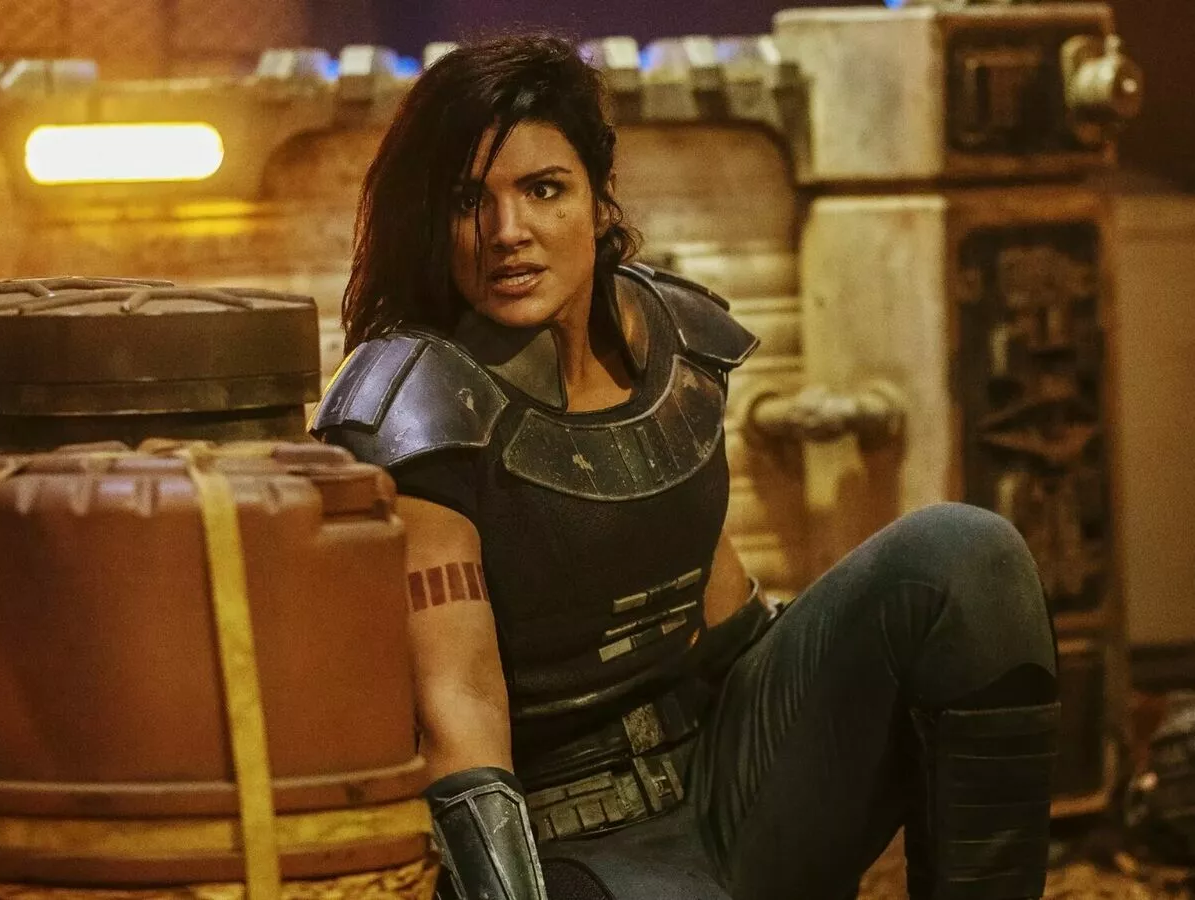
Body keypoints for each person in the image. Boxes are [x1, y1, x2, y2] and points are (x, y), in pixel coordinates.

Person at [314, 34, 1060, 900]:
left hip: (722, 784)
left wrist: (852, 701)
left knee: (966, 558)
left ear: (599, 200)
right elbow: (461, 715)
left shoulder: (666, 337)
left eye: (544, 189)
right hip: (574, 844)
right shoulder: (417, 408)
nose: (508, 232)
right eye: (468, 201)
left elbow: (725, 617)